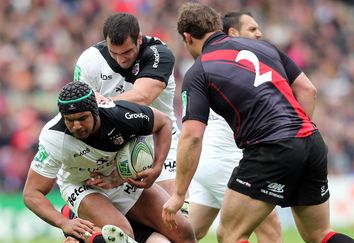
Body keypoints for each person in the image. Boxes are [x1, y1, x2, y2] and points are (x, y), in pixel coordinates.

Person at [162, 2, 354, 243]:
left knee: (231, 234)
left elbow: (192, 136)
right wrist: (296, 137)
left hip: (270, 148)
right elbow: (308, 89)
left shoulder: (199, 70)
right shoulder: (265, 48)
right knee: (320, 235)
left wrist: (179, 194)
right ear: (218, 27)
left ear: (187, 37)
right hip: (310, 141)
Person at [23, 82, 196, 243]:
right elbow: (31, 193)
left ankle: (81, 227)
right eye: (70, 120)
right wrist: (62, 223)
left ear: (96, 111)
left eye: (83, 118)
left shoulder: (121, 115)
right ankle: (73, 219)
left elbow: (163, 122)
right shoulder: (53, 137)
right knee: (123, 234)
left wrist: (157, 168)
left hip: (119, 179)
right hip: (80, 186)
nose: (76, 126)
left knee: (184, 232)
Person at [187, 10, 282, 243]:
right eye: (252, 29)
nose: (259, 34)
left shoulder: (214, 63)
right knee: (270, 229)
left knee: (188, 233)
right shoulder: (236, 64)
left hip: (211, 160)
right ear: (232, 33)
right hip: (226, 158)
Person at [73, 12, 179, 196]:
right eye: (114, 53)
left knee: (177, 213)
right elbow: (81, 113)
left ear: (139, 39)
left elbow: (142, 97)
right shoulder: (90, 61)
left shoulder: (159, 53)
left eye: (127, 52)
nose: (121, 59)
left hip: (160, 141)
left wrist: (100, 101)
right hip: (112, 146)